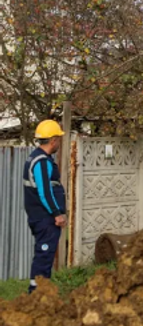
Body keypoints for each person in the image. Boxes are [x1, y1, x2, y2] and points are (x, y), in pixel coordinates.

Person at [24, 120, 67, 294]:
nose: (59, 142)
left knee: (45, 255)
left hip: (40, 217)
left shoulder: (35, 157)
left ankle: (42, 292)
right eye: (58, 139)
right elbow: (44, 192)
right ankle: (36, 295)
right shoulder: (41, 162)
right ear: (53, 140)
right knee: (44, 255)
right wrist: (57, 214)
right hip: (45, 218)